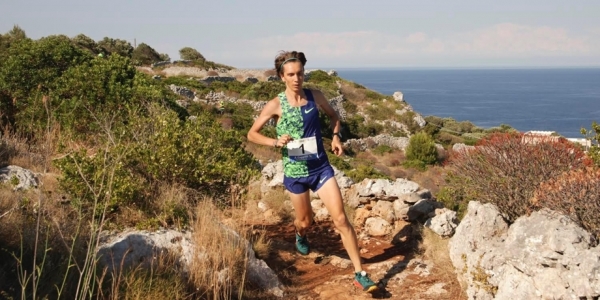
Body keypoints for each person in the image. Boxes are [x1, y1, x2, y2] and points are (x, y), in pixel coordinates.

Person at [247, 51, 378, 293]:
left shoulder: (314, 96)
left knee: (340, 219)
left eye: (300, 73)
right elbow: (252, 134)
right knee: (305, 220)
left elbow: (334, 116)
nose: (297, 78)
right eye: (291, 74)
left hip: (320, 168)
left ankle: (360, 273)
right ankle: (301, 234)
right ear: (281, 77)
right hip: (295, 172)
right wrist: (275, 142)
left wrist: (336, 137)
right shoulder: (275, 105)